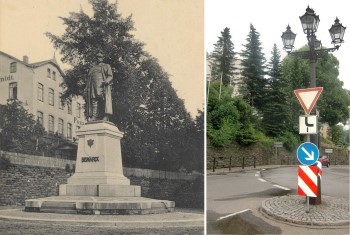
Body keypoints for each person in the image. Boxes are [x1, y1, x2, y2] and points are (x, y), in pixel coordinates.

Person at [85, 52, 113, 121]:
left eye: (100, 57)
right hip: (93, 87)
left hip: (102, 86)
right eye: (97, 57)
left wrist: (107, 81)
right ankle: (94, 116)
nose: (99, 58)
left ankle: (105, 116)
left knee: (103, 101)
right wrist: (86, 88)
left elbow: (110, 76)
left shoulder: (106, 66)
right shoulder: (92, 68)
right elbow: (89, 79)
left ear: (102, 58)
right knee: (94, 100)